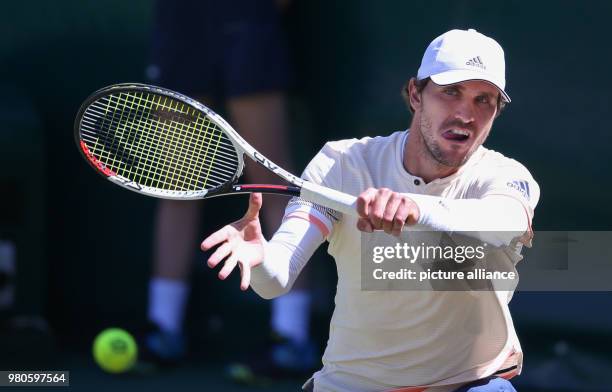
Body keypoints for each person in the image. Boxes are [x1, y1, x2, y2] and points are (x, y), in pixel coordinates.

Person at [201, 28, 540, 392]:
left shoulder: (504, 177)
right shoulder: (343, 164)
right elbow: (275, 281)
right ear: (415, 94)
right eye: (450, 92)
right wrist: (260, 259)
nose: (465, 113)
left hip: (466, 383)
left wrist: (415, 208)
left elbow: (505, 220)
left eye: (484, 100)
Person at [143, 0, 316, 378]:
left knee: (273, 186)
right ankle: (163, 328)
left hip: (248, 22)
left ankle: (292, 336)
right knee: (176, 187)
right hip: (182, 25)